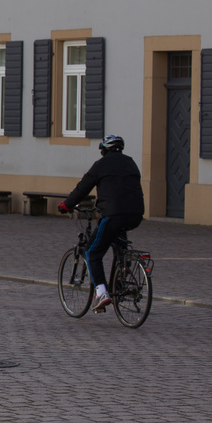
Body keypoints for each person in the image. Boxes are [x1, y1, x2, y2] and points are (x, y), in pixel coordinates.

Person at [58, 134, 145, 313]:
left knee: (92, 251)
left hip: (113, 215)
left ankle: (102, 292)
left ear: (104, 150)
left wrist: (66, 205)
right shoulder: (131, 163)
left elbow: (83, 188)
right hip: (136, 214)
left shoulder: (101, 165)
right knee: (118, 241)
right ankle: (123, 273)